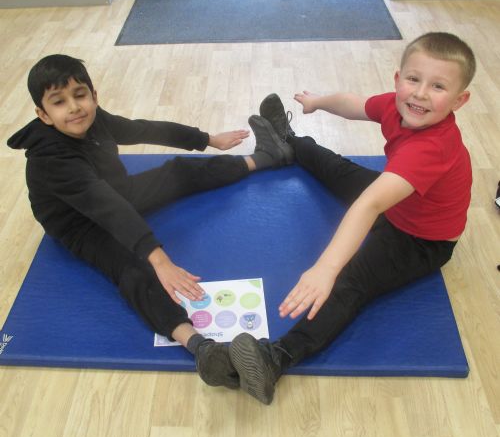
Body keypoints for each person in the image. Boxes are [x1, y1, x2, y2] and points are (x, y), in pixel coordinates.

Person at [7, 54, 294, 389]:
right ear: (43, 114)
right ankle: (202, 348)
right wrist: (160, 261)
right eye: (59, 102)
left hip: (116, 190)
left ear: (94, 95)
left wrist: (206, 139)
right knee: (130, 268)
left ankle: (268, 156)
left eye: (79, 95)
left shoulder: (95, 119)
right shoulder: (51, 159)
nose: (74, 107)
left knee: (178, 171)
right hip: (79, 223)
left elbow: (142, 129)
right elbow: (107, 208)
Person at [228, 31, 476, 404]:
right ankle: (287, 142)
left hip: (421, 240)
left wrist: (325, 269)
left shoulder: (431, 147)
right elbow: (354, 104)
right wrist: (316, 102)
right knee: (338, 169)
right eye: (414, 79)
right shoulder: (399, 105)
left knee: (350, 282)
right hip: (399, 200)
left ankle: (274, 359)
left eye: (438, 86)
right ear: (398, 79)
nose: (421, 93)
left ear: (459, 100)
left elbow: (369, 205)